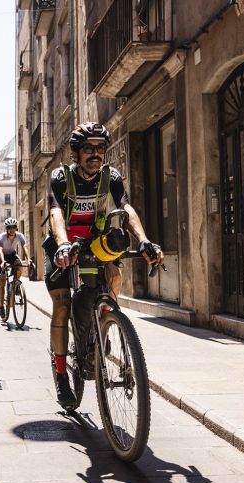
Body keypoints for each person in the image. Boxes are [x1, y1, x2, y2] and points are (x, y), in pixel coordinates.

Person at [44, 122, 163, 408]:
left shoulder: (111, 176)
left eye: (100, 148)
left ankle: (104, 323)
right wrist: (62, 244)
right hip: (63, 244)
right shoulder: (61, 177)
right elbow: (56, 211)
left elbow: (126, 208)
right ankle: (61, 374)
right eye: (88, 148)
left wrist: (144, 240)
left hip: (95, 242)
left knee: (114, 274)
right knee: (62, 305)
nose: (95, 154)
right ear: (76, 154)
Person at [0, 217, 31, 319]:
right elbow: (0, 250)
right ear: (6, 229)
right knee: (2, 281)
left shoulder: (20, 236)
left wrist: (28, 259)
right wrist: (3, 262)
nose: (11, 229)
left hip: (12, 255)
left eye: (14, 227)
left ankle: (15, 284)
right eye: (9, 227)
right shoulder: (2, 237)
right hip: (2, 257)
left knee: (19, 265)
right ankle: (1, 306)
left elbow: (24, 247)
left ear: (16, 228)